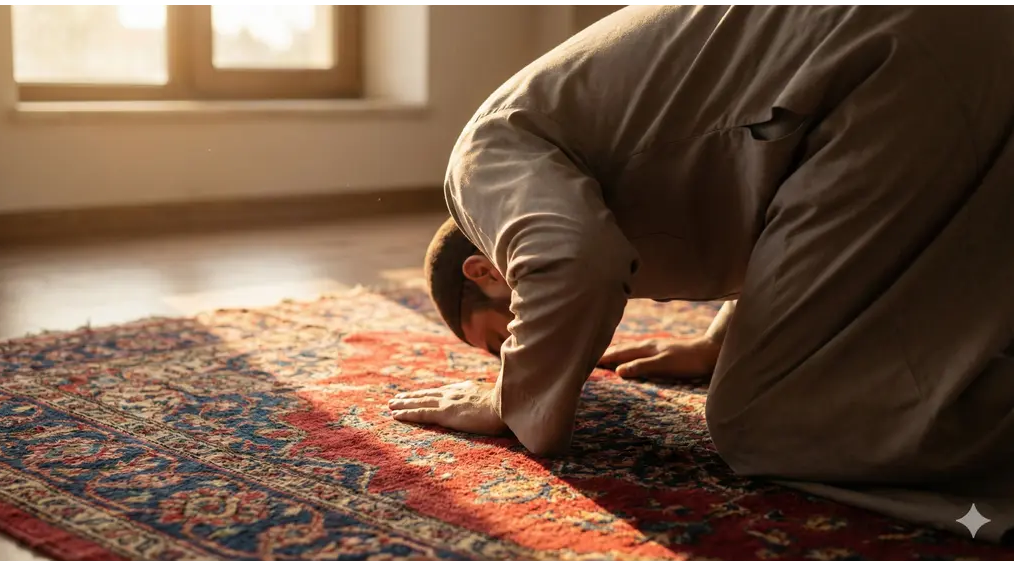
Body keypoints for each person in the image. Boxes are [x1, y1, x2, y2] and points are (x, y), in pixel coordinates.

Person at [388, 5, 1014, 543]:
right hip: (960, 39)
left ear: (486, 267)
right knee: (939, 324)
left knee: (765, 419)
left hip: (881, 70)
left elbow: (573, 262)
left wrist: (512, 398)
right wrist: (719, 343)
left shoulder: (476, 162)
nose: (516, 351)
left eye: (504, 337)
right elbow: (755, 192)